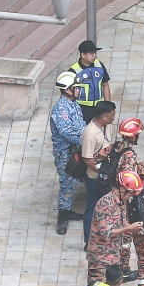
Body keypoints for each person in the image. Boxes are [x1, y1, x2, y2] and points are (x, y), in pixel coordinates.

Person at [101, 118, 144, 279]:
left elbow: (97, 157)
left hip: (109, 191)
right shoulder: (130, 156)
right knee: (126, 234)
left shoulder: (114, 146)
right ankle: (123, 269)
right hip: (122, 198)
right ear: (133, 137)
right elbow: (127, 179)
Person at [87, 171, 144, 284]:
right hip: (100, 258)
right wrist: (129, 229)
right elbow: (106, 234)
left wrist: (134, 228)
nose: (131, 197)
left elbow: (120, 223)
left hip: (114, 256)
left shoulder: (121, 202)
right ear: (123, 190)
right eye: (131, 193)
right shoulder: (105, 204)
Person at [50, 71, 87, 235]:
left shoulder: (73, 104)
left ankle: (67, 210)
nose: (79, 90)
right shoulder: (61, 109)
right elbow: (67, 133)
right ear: (67, 90)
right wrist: (87, 140)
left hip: (77, 150)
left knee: (75, 180)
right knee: (67, 183)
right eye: (76, 87)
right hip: (66, 154)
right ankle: (63, 216)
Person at [81, 101, 117, 244]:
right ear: (103, 117)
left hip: (108, 173)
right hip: (95, 177)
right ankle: (89, 241)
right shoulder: (90, 134)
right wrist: (101, 172)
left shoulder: (107, 126)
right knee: (92, 208)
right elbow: (87, 160)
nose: (114, 117)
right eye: (112, 115)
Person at [70, 40, 112, 123]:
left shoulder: (99, 65)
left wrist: (107, 106)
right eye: (91, 53)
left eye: (95, 53)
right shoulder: (74, 71)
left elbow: (105, 85)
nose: (94, 55)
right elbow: (69, 93)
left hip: (98, 107)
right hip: (82, 109)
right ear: (83, 55)